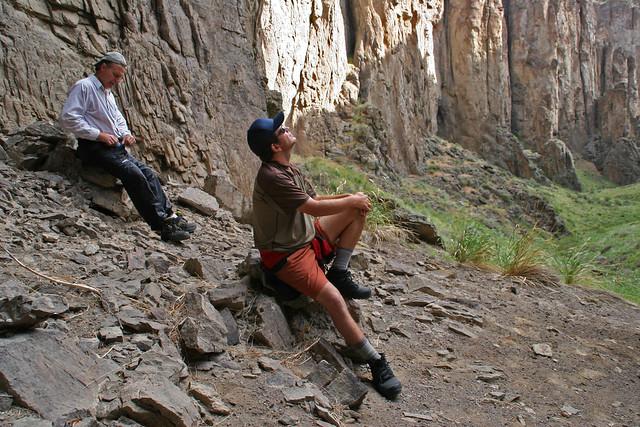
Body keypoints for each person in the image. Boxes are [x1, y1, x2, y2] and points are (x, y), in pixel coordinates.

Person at [247, 111, 402, 400]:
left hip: (306, 237)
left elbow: (315, 199)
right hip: (287, 255)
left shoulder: (286, 168)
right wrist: (349, 199)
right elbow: (312, 208)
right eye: (281, 130)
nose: (287, 128)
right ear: (274, 146)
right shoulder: (271, 176)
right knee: (333, 300)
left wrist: (352, 199)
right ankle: (375, 362)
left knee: (356, 210)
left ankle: (339, 272)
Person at [59, 52, 195, 242]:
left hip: (113, 148)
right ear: (103, 67)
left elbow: (118, 119)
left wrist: (126, 134)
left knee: (148, 173)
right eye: (115, 75)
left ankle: (171, 217)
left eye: (120, 77)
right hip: (93, 147)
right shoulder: (84, 87)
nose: (117, 80)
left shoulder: (107, 94)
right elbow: (68, 118)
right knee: (133, 174)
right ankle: (161, 225)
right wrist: (99, 135)